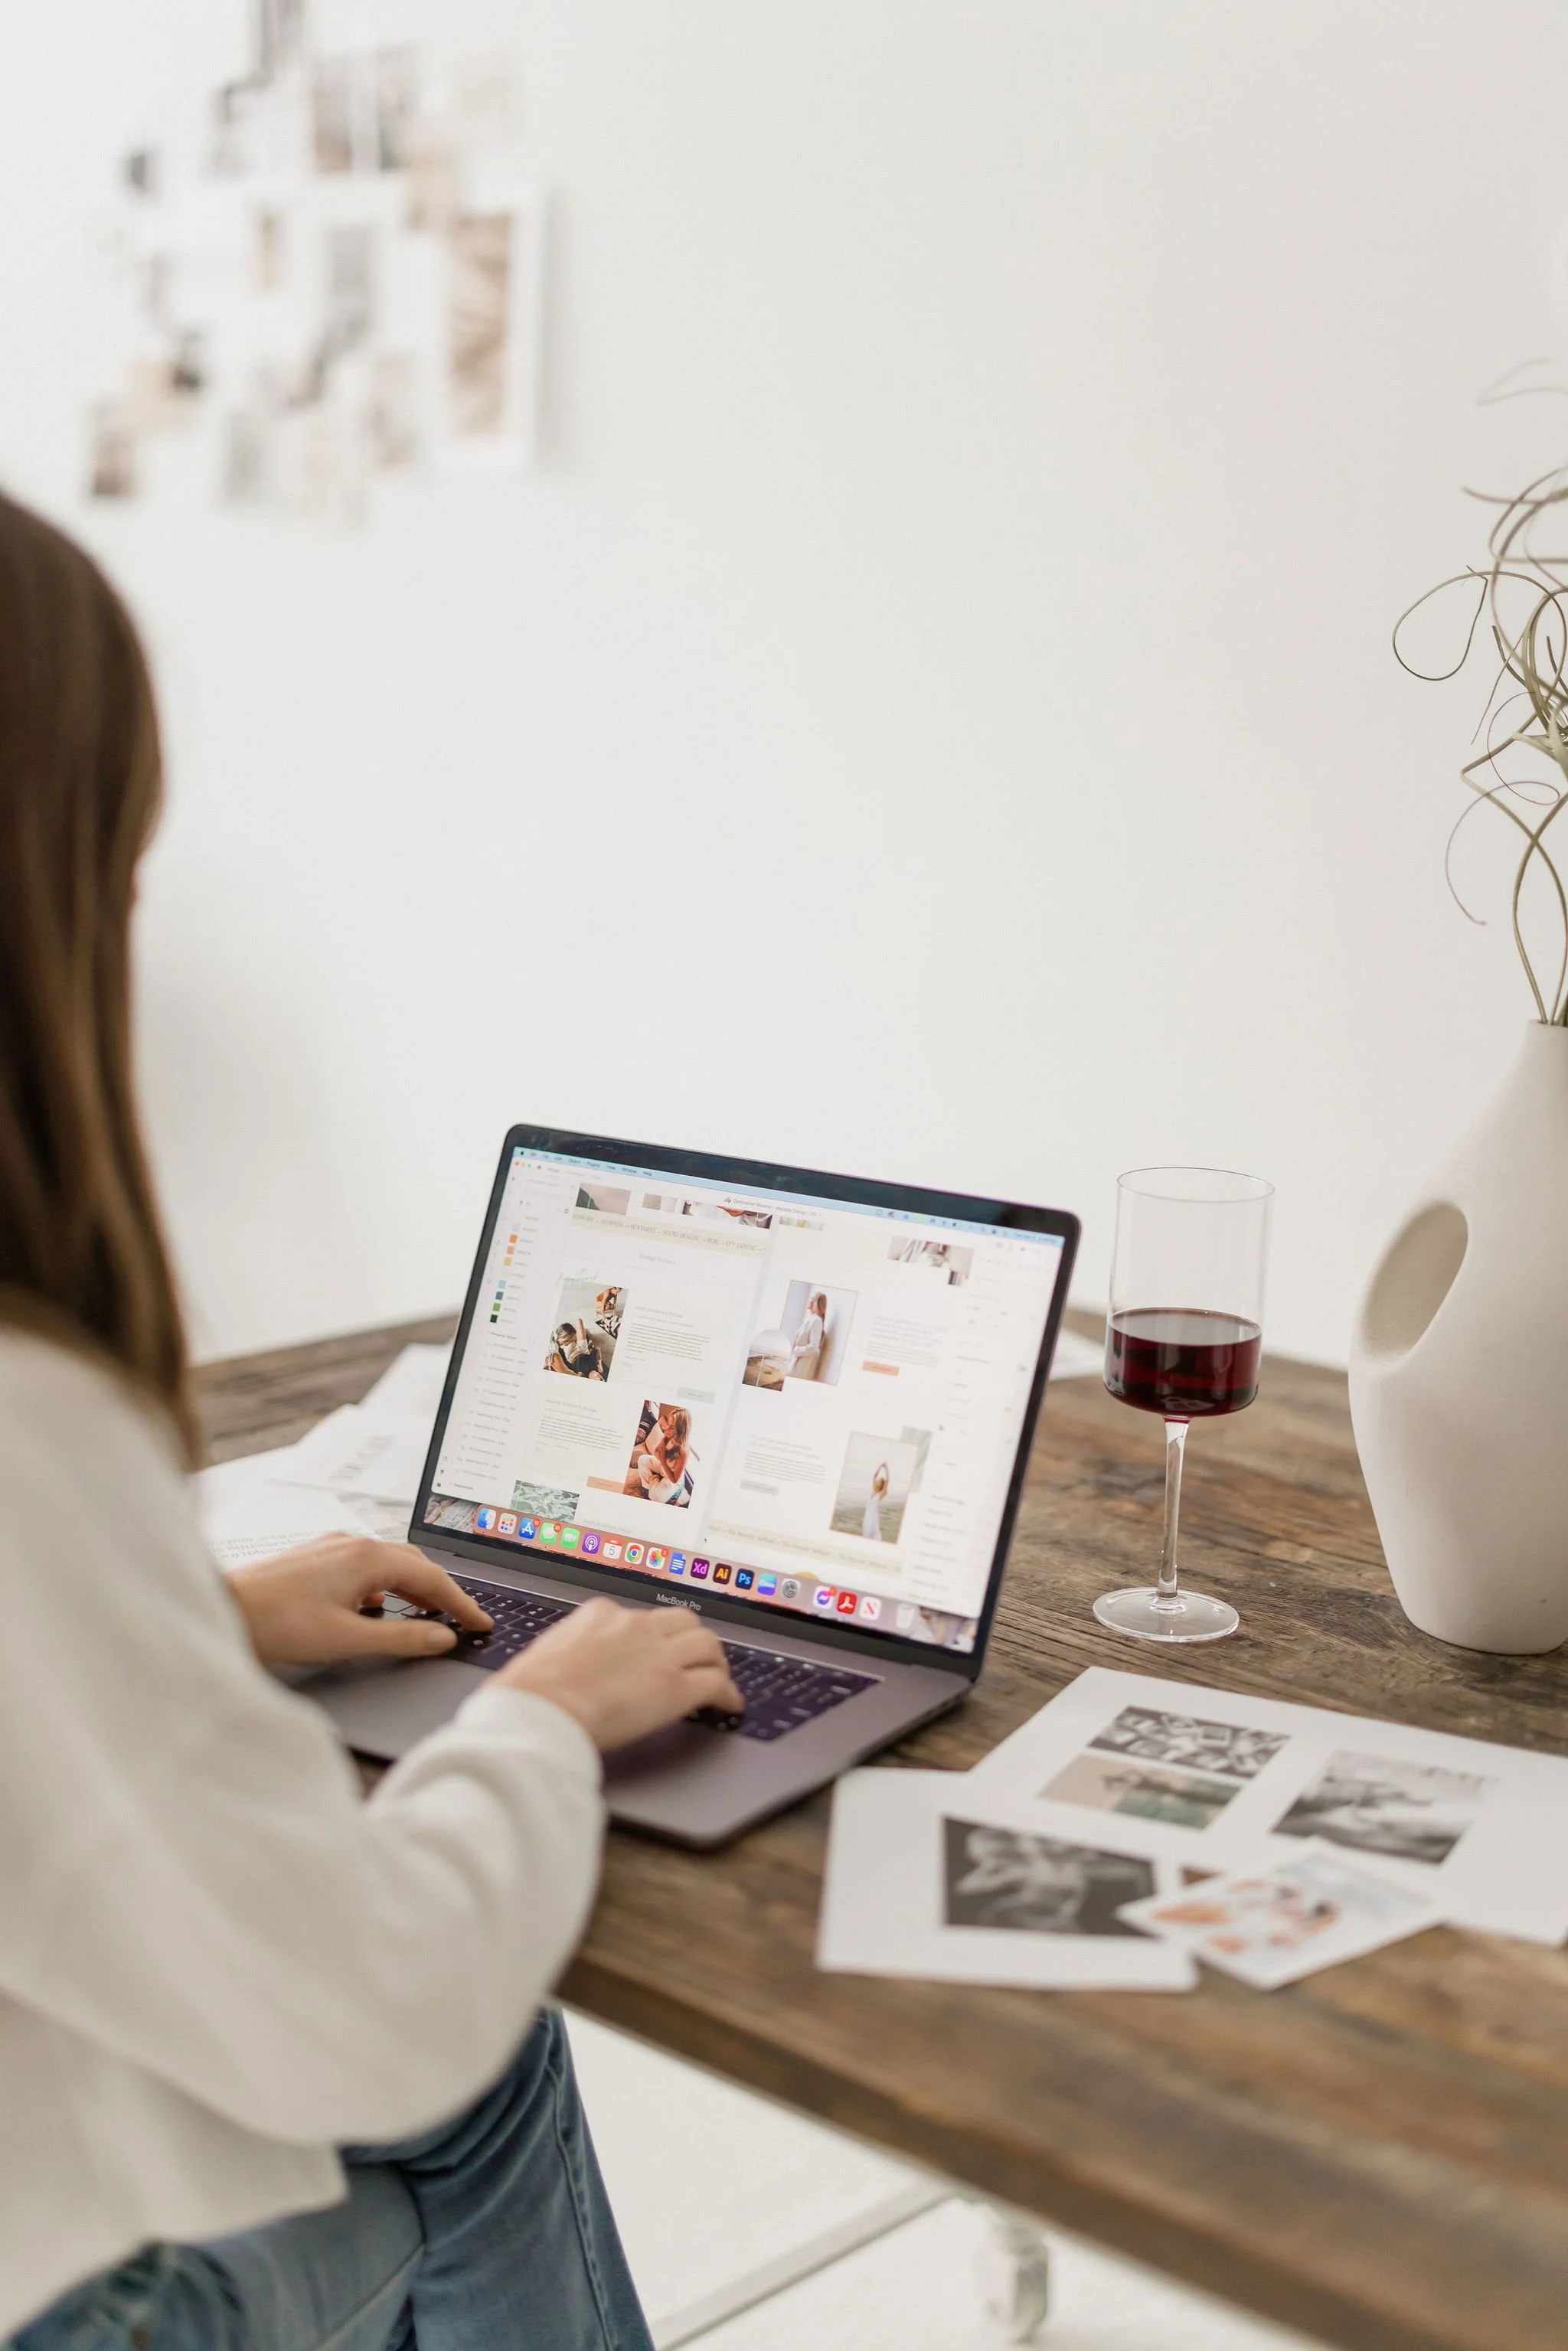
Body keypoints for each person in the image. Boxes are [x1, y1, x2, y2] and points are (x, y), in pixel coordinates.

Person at [0, 492, 743, 2351]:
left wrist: (191, 1628)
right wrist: (543, 1717)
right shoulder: (29, 1422)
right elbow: (374, 2001)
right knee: (468, 2051)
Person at [632, 1404, 690, 1504]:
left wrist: (663, 1460)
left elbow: (674, 1480)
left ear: (681, 1429)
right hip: (662, 1468)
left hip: (671, 1480)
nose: (666, 1429)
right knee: (642, 1459)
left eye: (671, 1427)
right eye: (668, 1425)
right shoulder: (667, 1437)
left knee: (657, 1496)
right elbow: (656, 1452)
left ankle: (654, 1483)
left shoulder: (683, 1451)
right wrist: (661, 1458)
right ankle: (651, 1484)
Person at [786, 1291, 828, 1380]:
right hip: (797, 1364)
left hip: (802, 1367)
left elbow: (814, 1347)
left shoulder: (817, 1321)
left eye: (812, 1299)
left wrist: (797, 1350)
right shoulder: (811, 1320)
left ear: (816, 1303)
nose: (809, 1301)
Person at [861, 1458, 890, 1541]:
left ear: (881, 1485)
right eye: (878, 1480)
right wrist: (881, 1466)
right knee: (865, 1535)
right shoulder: (873, 1491)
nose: (877, 1481)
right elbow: (874, 1476)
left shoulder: (879, 1495)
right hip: (867, 1517)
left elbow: (888, 1481)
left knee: (871, 1536)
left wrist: (886, 1469)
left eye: (880, 1481)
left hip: (872, 1519)